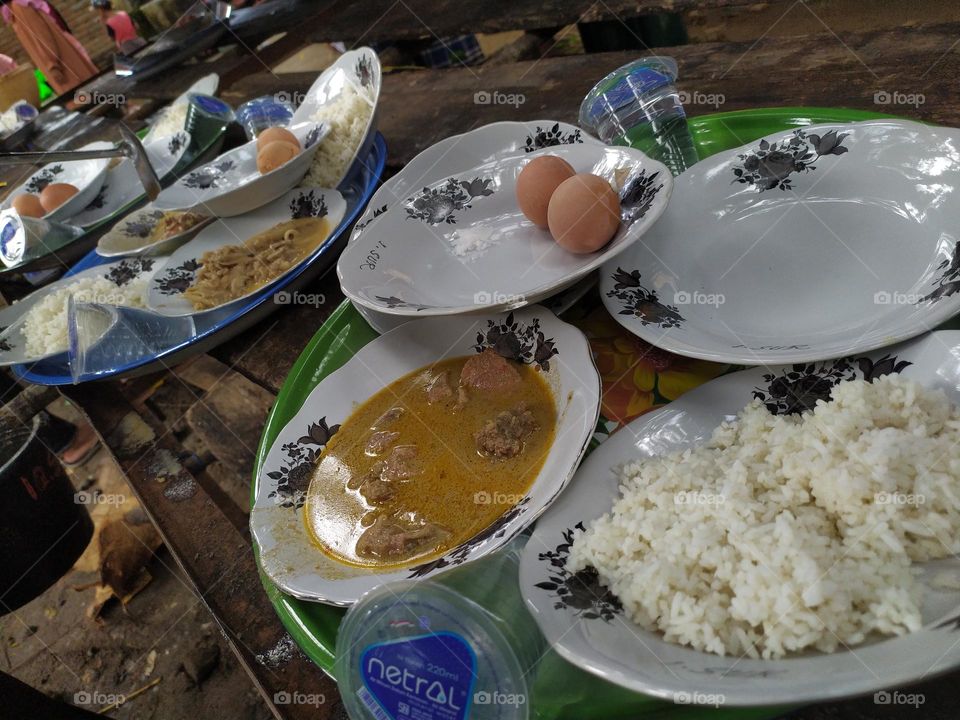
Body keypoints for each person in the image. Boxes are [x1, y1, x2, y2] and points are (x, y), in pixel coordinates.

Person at [0, 0, 98, 94]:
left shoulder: (20, 7)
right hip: (59, 65)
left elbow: (42, 37)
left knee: (86, 96)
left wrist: (52, 65)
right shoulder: (14, 10)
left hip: (63, 67)